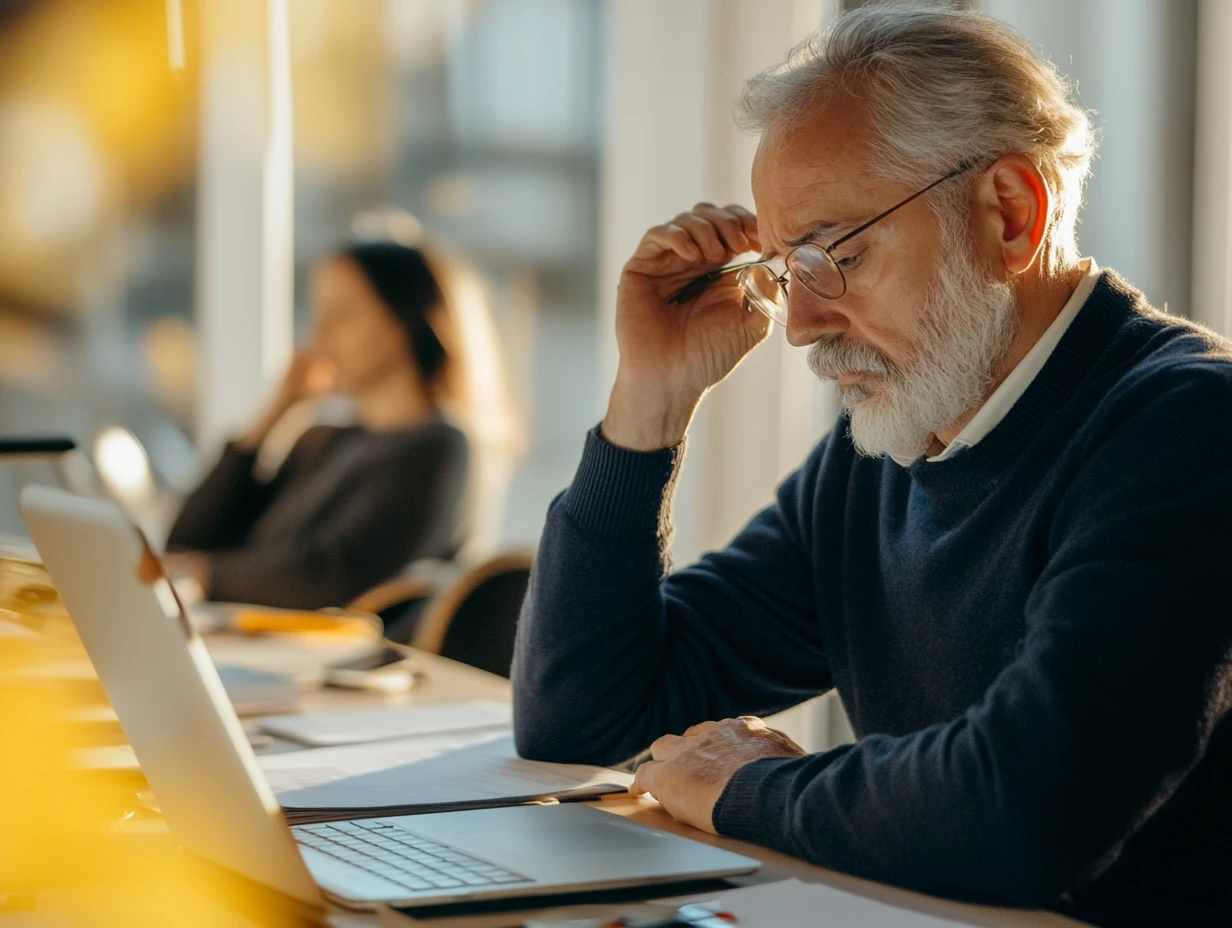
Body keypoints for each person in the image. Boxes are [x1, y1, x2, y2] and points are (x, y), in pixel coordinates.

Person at [511, 7, 1232, 927]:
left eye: (831, 254)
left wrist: (748, 786)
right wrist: (647, 403)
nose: (800, 325)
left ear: (1011, 214)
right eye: (783, 268)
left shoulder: (1190, 427)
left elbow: (1025, 809)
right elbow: (582, 719)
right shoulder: (892, 449)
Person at [165, 240, 518, 612]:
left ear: (403, 321)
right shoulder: (327, 439)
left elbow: (334, 574)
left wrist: (206, 575)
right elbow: (188, 539)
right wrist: (275, 412)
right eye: (318, 315)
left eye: (342, 314)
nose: (319, 335)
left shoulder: (439, 446)